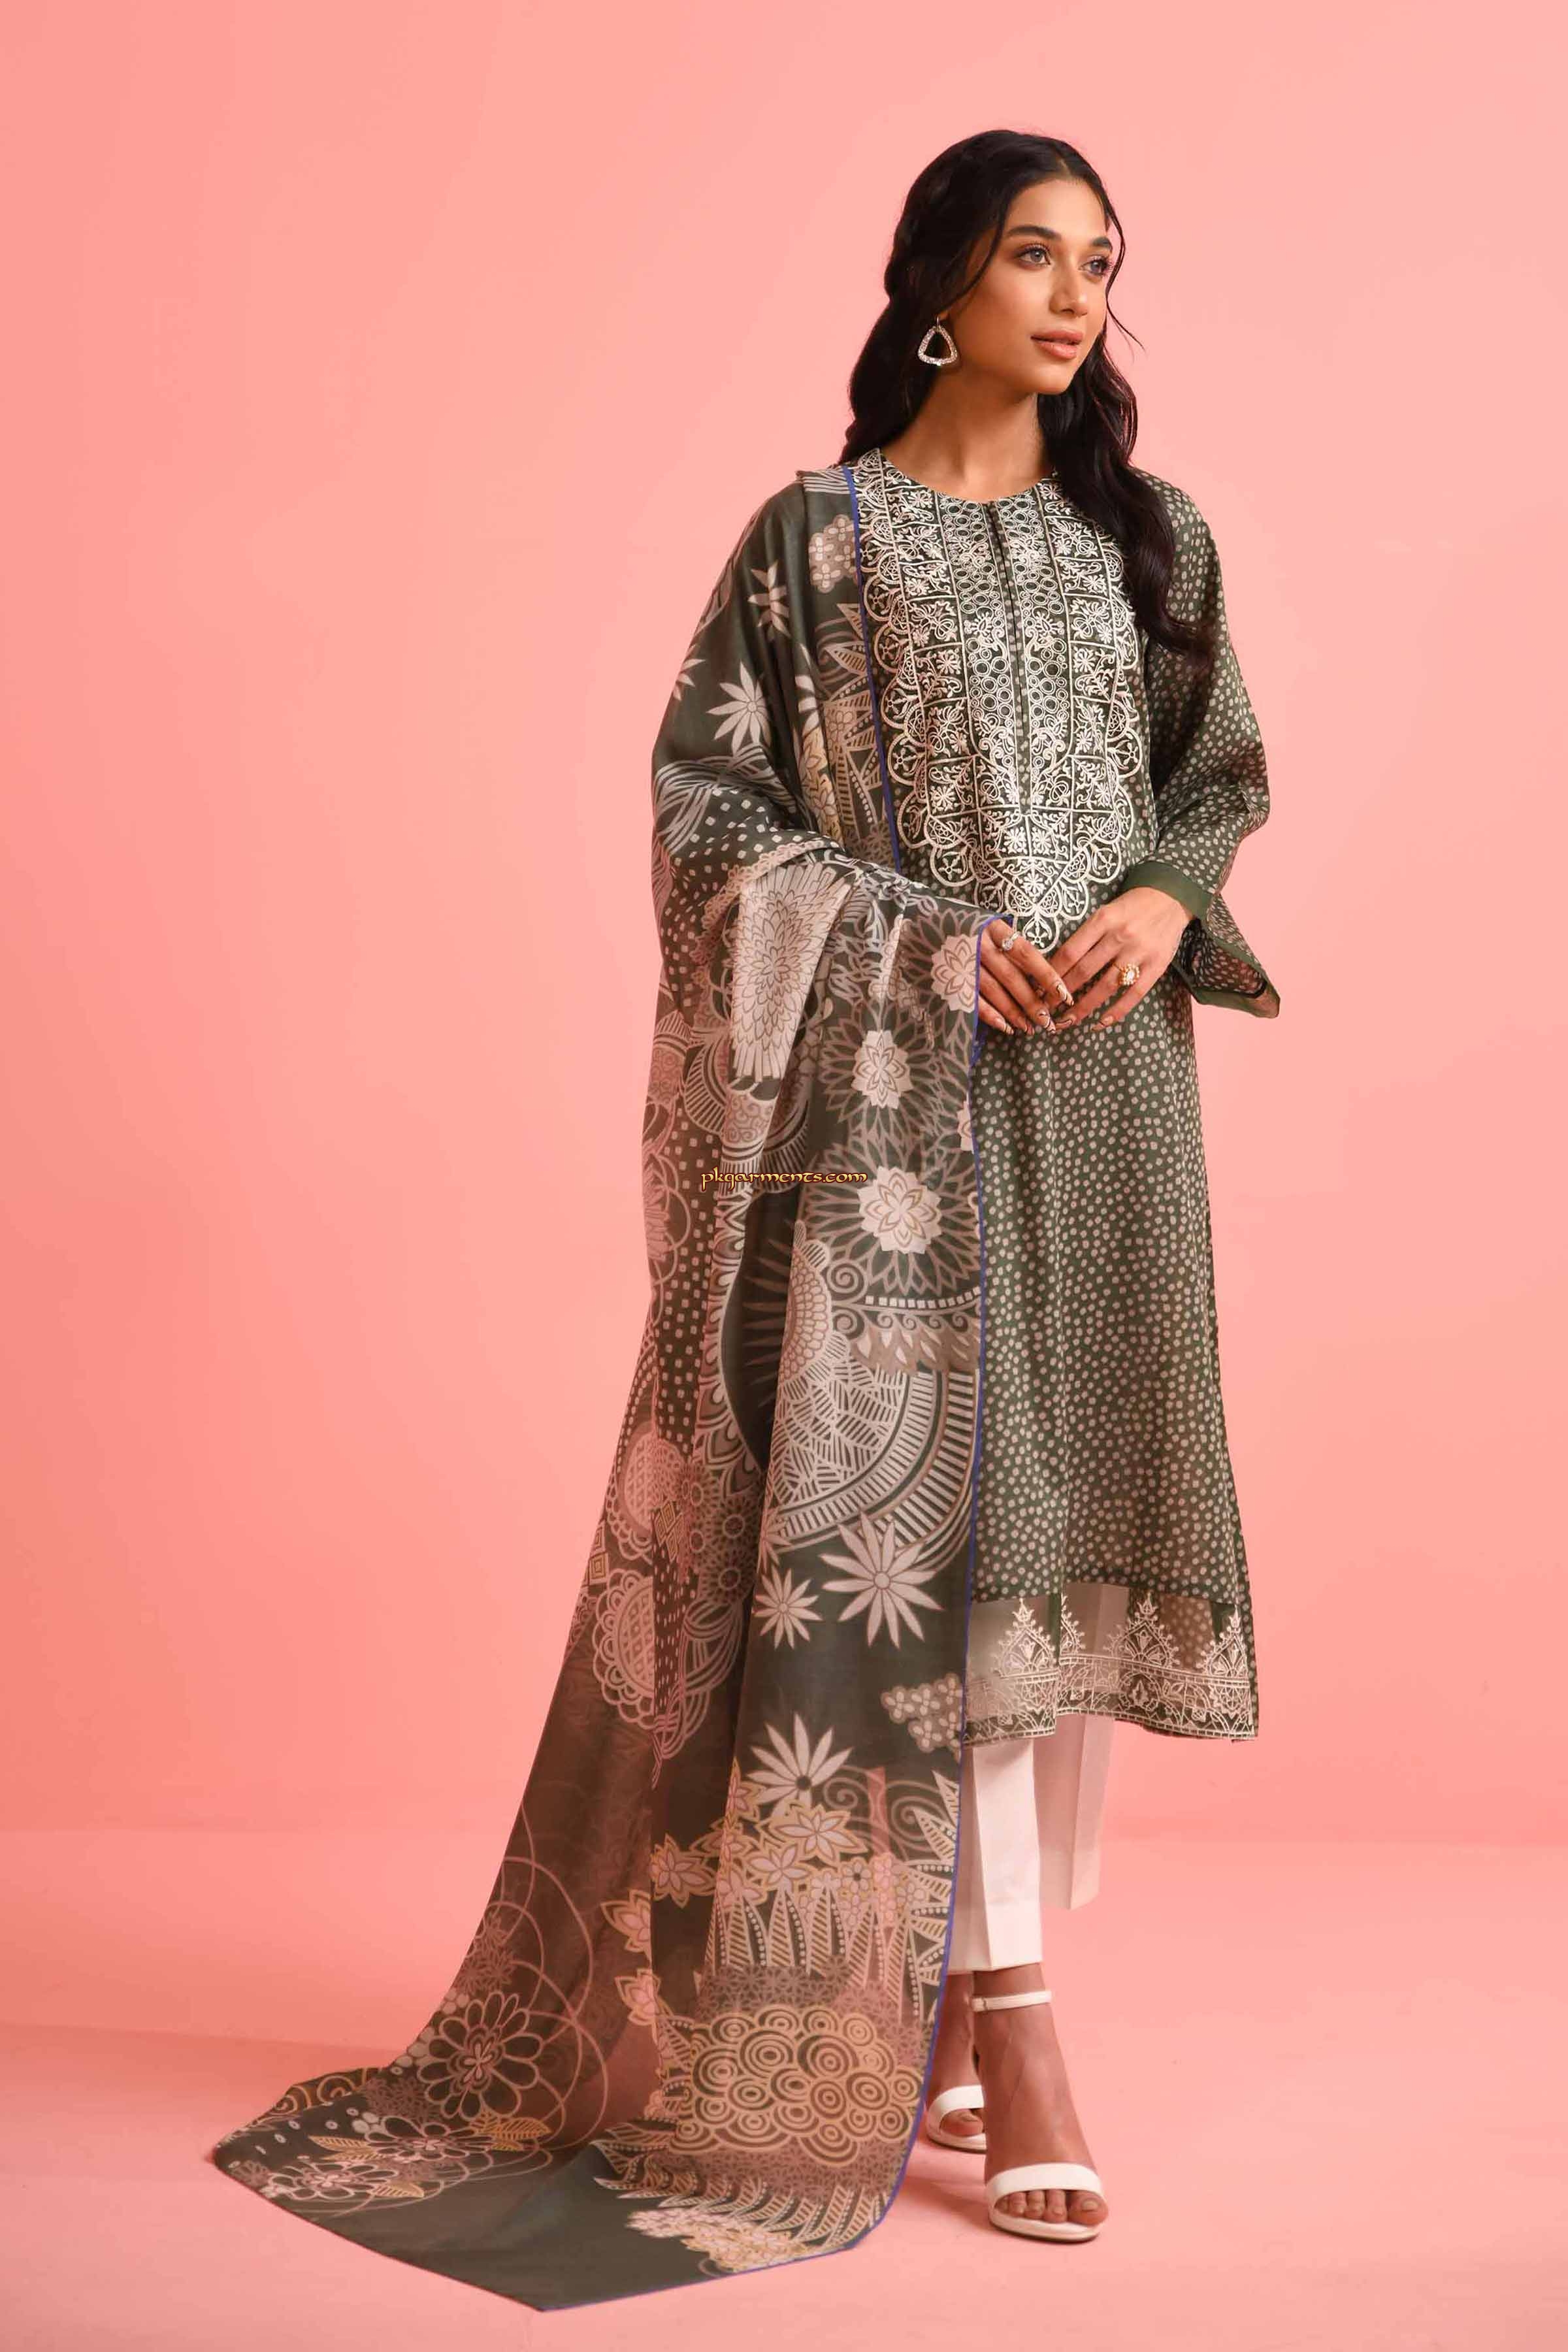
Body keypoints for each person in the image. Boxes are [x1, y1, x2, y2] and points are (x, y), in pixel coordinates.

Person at [210, 127, 1277, 2309]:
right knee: (945, 1555)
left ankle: (960, 1993)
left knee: (1051, 1547)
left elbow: (1216, 776)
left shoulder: (1151, 537)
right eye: (1032, 255)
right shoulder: (816, 542)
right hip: (893, 1138)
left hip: (1107, 1107)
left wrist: (1168, 903)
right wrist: (917, 944)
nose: (1076, 295)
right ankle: (1023, 2031)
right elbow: (708, 817)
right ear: (939, 284)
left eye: (1101, 261)